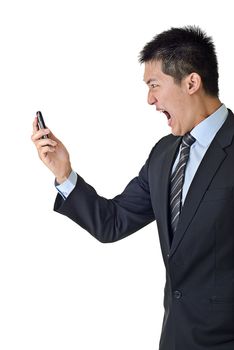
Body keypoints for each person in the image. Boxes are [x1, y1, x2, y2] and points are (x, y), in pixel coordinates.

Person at [31, 26, 234, 349]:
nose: (150, 99)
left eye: (155, 85)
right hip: (175, 339)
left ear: (192, 83)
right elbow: (113, 222)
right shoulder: (164, 154)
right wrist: (64, 174)